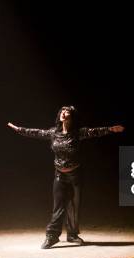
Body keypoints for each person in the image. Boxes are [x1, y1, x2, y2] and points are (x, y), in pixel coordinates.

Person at [7, 106, 124, 249]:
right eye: (62, 111)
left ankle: (72, 235)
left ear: (72, 116)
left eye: (67, 111)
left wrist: (111, 129)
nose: (63, 113)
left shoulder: (78, 133)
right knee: (59, 206)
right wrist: (19, 129)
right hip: (59, 174)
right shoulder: (53, 133)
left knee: (73, 206)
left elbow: (95, 131)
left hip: (75, 175)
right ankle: (51, 236)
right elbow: (36, 132)